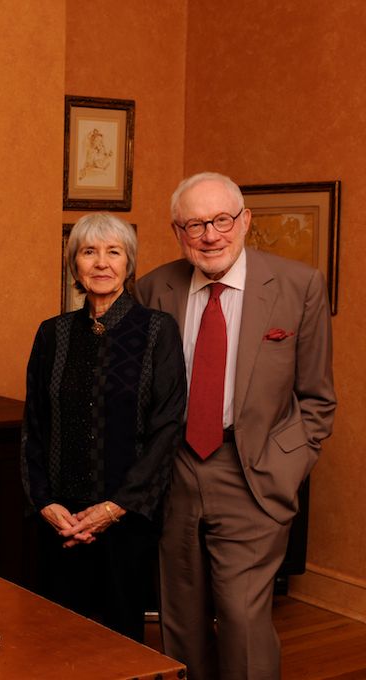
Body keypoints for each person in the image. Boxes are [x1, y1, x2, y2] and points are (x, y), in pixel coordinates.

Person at [135, 172, 336, 679]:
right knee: (180, 617)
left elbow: (317, 398)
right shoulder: (154, 288)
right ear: (178, 232)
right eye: (195, 224)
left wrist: (286, 467)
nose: (210, 235)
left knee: (243, 617)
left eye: (221, 220)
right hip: (175, 470)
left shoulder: (298, 286)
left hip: (253, 471)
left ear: (245, 221)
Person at [20, 212, 186, 642]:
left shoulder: (158, 331)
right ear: (74, 264)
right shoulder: (52, 334)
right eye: (88, 252)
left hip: (127, 519)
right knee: (59, 637)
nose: (101, 263)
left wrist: (114, 509)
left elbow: (167, 428)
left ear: (128, 263)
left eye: (113, 252)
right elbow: (34, 426)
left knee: (119, 642)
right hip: (61, 520)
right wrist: (45, 503)